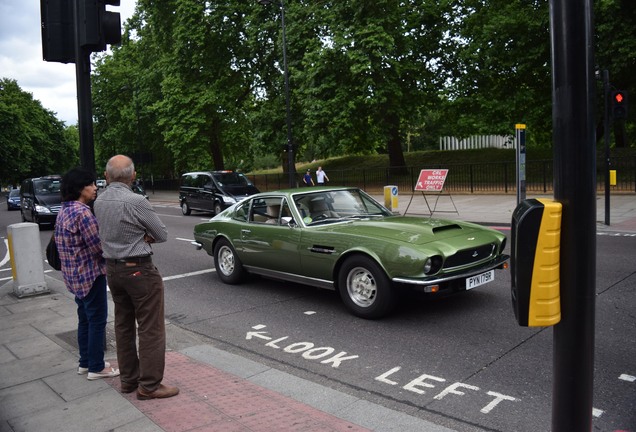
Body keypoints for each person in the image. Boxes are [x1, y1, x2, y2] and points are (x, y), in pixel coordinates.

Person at [93, 155, 179, 400]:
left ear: (107, 176)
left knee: (123, 326)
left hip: (113, 269)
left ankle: (128, 380)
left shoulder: (99, 201)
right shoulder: (135, 200)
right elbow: (160, 233)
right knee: (150, 328)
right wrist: (145, 236)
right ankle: (149, 385)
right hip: (139, 270)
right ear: (133, 176)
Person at [55, 167, 119, 381]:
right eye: (91, 184)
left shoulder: (64, 210)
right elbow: (98, 247)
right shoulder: (83, 213)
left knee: (84, 319)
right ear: (80, 188)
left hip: (74, 277)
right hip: (90, 275)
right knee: (97, 321)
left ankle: (85, 363)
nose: (95, 187)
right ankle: (96, 367)